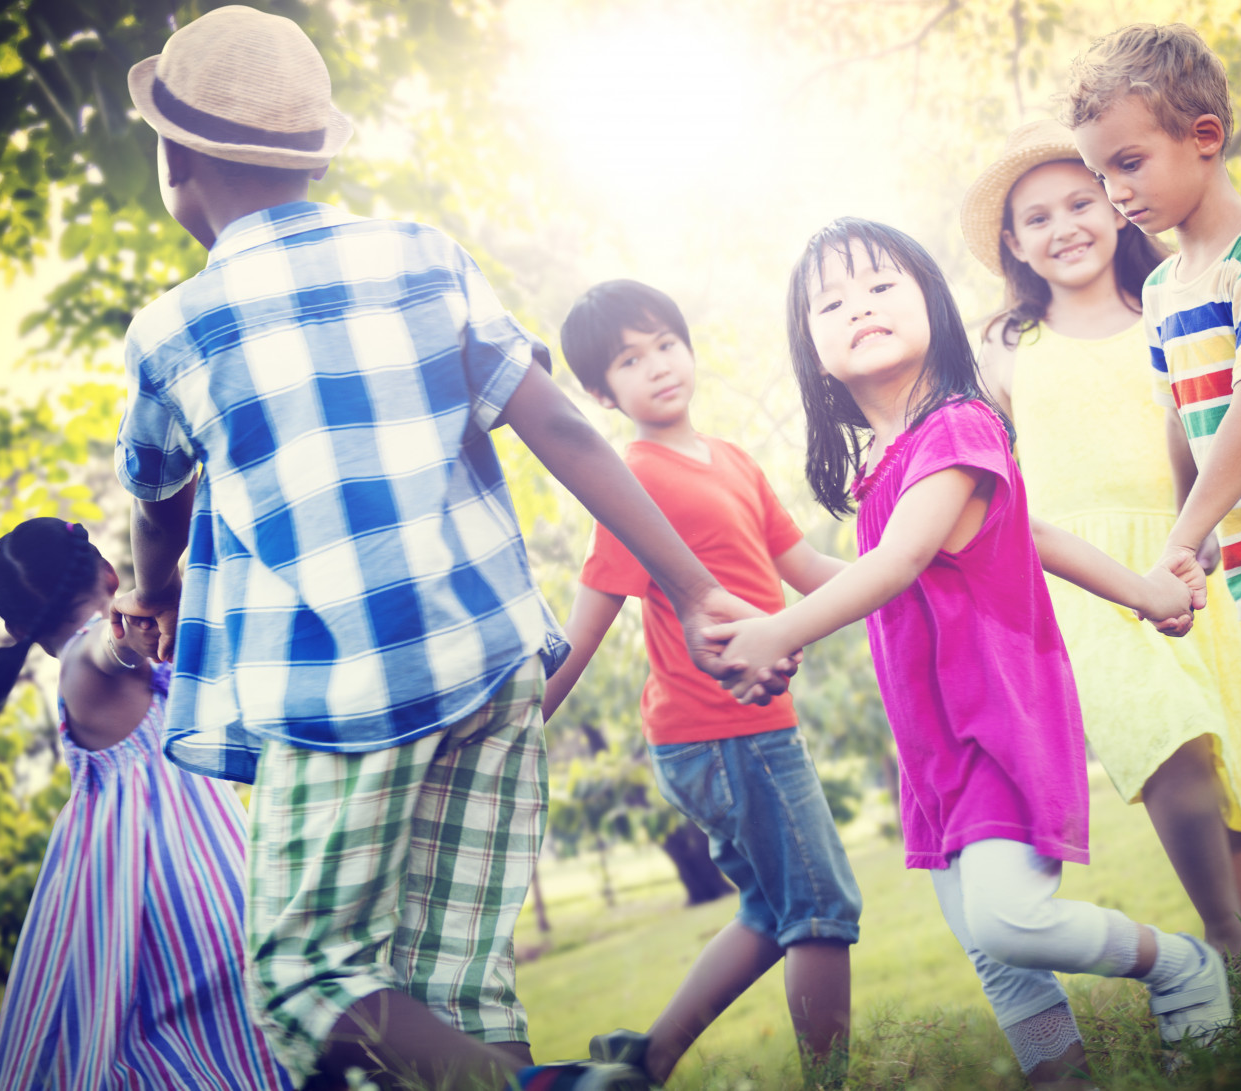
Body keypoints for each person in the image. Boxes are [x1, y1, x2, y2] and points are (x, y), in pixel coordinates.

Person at [110, 8, 778, 1091]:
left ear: (174, 158)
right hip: (490, 663)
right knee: (456, 984)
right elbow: (559, 423)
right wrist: (696, 590)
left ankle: (541, 1088)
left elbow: (157, 498)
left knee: (303, 980)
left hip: (339, 693)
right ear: (314, 156)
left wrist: (152, 594)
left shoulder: (175, 329)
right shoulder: (422, 258)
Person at [707, 218, 1234, 1089]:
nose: (858, 307)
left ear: (933, 305)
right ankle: (1058, 1075)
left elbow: (899, 562)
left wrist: (782, 631)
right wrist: (1142, 589)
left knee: (1008, 922)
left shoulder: (958, 426)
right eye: (830, 301)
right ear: (811, 348)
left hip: (997, 716)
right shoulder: (890, 463)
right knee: (986, 944)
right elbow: (1007, 540)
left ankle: (1181, 965)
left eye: (881, 285)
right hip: (935, 739)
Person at [961, 118, 1241, 963]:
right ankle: (1221, 935)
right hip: (1086, 582)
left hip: (1187, 555)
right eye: (1037, 217)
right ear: (1013, 243)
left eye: (1082, 201)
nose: (1065, 226)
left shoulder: (1171, 309)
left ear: (1116, 208)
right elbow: (995, 481)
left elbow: (1212, 428)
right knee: (1168, 736)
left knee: (1233, 768)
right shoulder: (1006, 346)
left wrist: (1208, 524)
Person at [543, 280, 860, 1084]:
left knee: (769, 910)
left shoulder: (733, 461)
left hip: (753, 727)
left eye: (664, 344)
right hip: (717, 730)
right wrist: (523, 722)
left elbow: (810, 571)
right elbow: (587, 623)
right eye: (628, 359)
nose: (656, 367)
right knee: (820, 912)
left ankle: (645, 1060)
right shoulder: (629, 478)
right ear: (598, 392)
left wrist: (916, 570)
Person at [1067, 23, 1241, 817]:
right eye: (1101, 172)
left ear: (1204, 138)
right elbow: (1185, 420)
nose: (1116, 191)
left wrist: (1181, 538)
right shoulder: (1163, 291)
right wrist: (1199, 529)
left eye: (1128, 163)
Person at [0, 518, 289, 1091]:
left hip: (178, 860)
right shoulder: (88, 660)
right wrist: (124, 640)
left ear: (15, 625)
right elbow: (105, 651)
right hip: (173, 878)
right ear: (109, 574)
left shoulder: (111, 647)